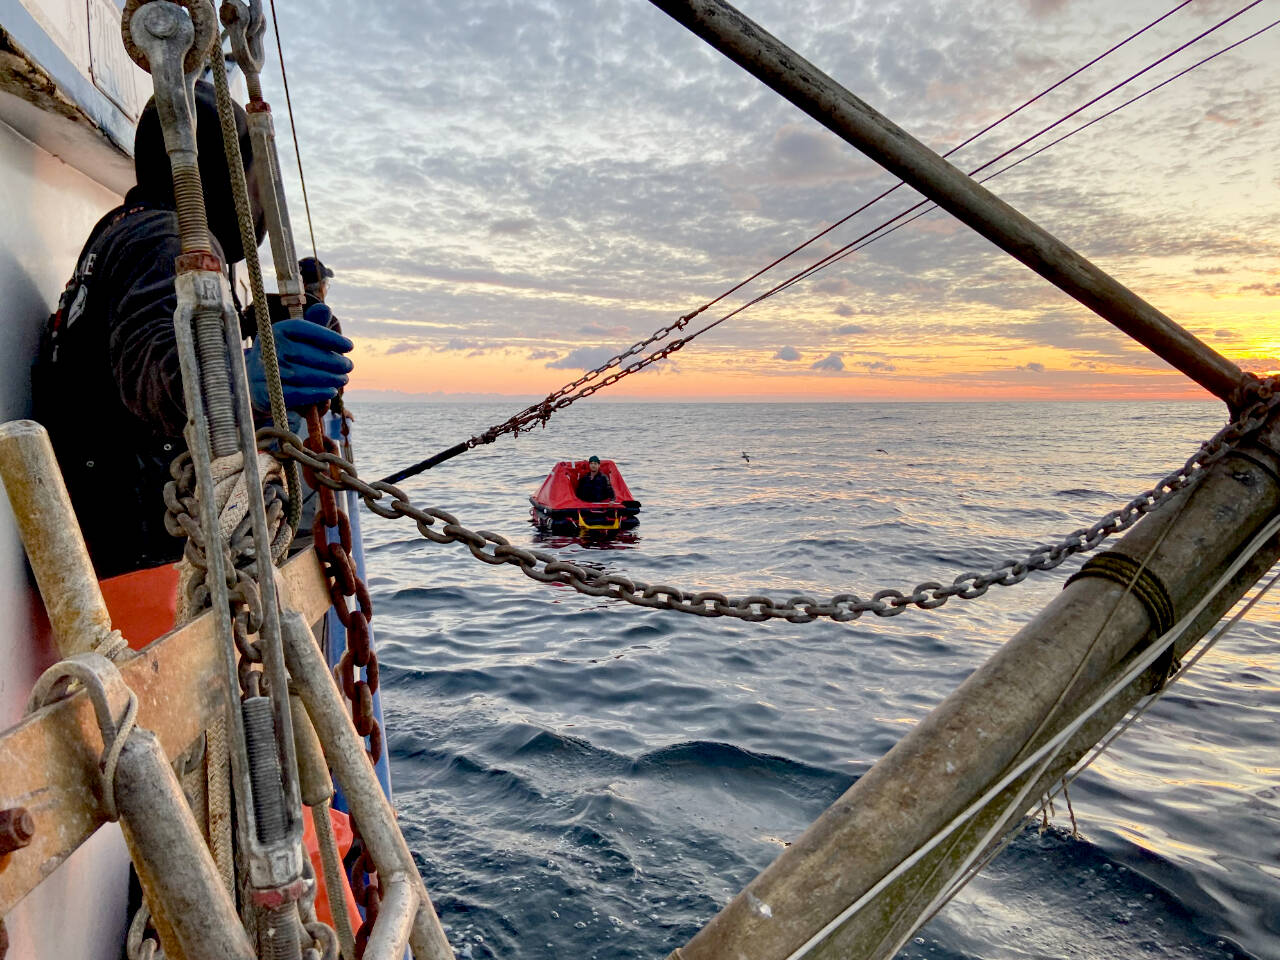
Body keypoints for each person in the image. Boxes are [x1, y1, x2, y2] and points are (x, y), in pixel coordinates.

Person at [32, 81, 353, 581]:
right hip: (150, 564)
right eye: (252, 177)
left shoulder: (124, 228)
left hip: (105, 539)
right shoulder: (170, 238)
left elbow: (144, 332)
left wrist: (256, 319)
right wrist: (245, 381)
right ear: (223, 174)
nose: (259, 198)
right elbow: (153, 369)